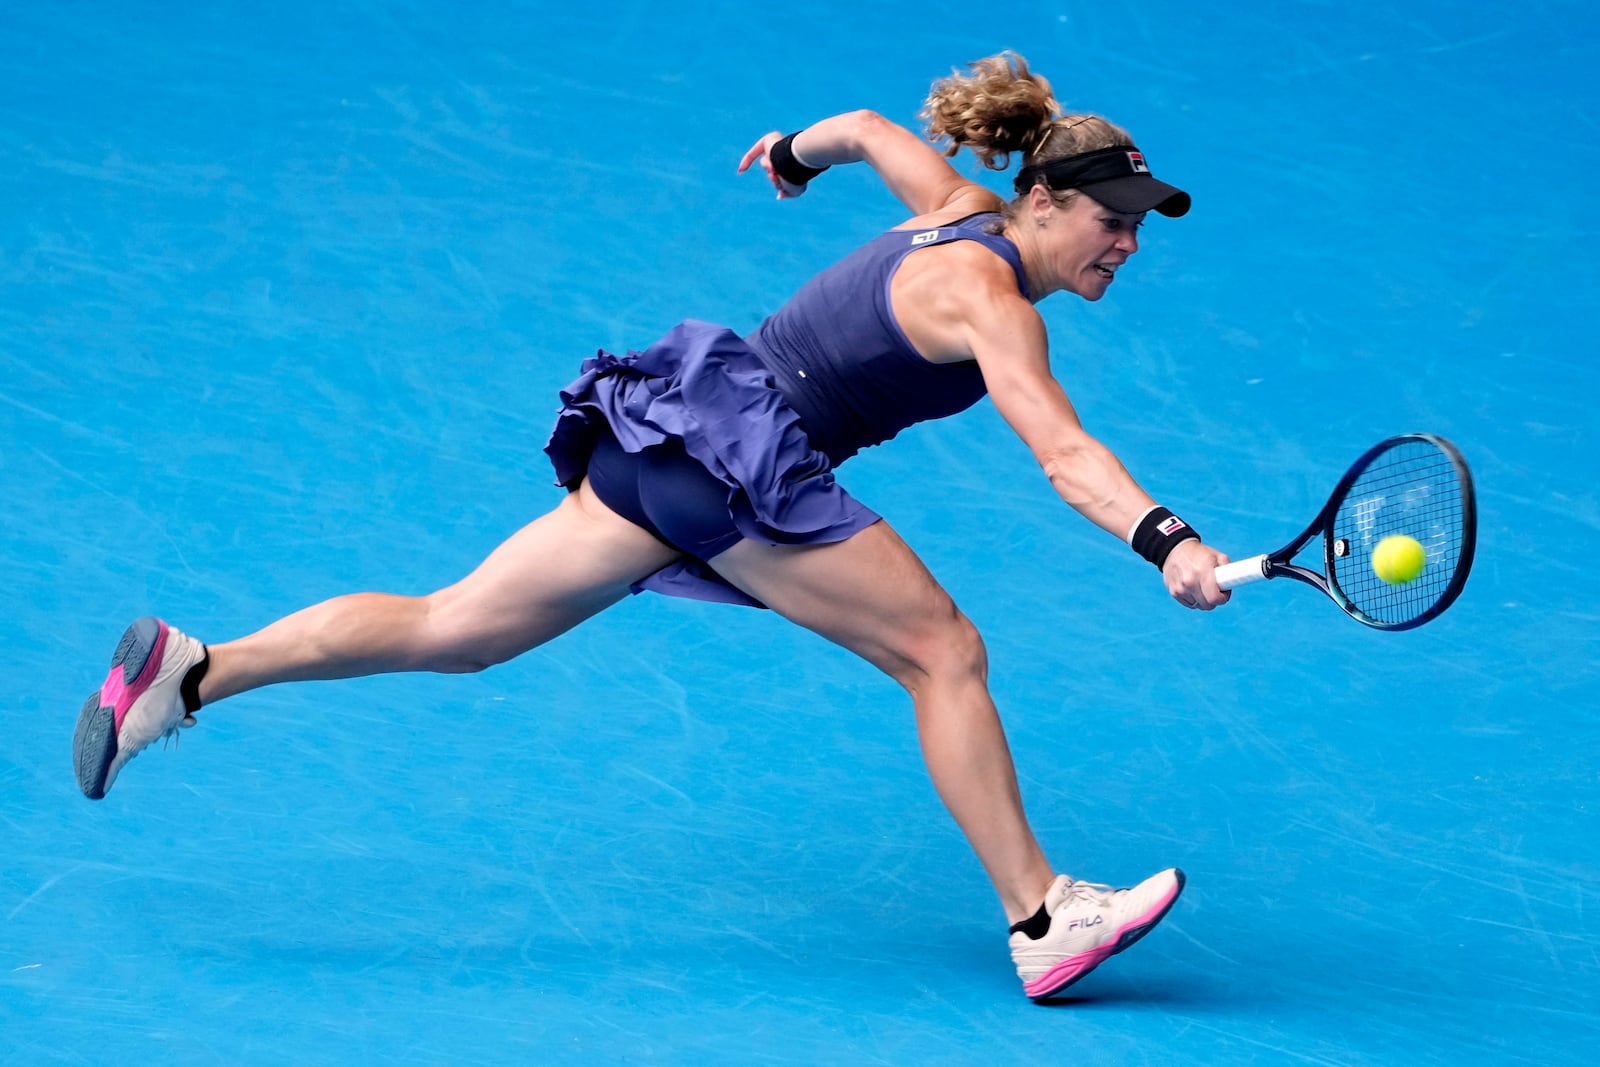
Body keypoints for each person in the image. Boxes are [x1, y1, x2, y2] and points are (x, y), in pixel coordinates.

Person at [72, 52, 1231, 1001]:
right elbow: (1065, 453)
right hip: (742, 463)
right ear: (1040, 199)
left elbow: (869, 126)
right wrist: (1166, 539)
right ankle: (1041, 914)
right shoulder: (992, 299)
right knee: (944, 650)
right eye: (1108, 218)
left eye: (1139, 223)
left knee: (457, 625)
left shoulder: (957, 210)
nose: (1124, 243)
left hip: (671, 433)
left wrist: (790, 152)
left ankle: (194, 669)